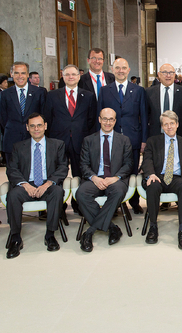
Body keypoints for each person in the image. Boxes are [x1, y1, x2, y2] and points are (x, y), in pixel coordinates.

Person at [5, 113, 68, 258]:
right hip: (27, 184)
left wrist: (48, 184)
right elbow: (12, 170)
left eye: (39, 125)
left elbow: (63, 167)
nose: (36, 129)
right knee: (13, 195)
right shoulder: (18, 146)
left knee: (57, 192)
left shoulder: (57, 145)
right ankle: (15, 237)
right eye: (32, 126)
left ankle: (50, 235)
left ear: (45, 126)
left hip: (48, 183)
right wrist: (25, 185)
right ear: (27, 128)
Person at [77, 108, 133, 252]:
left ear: (115, 121)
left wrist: (115, 178)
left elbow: (128, 164)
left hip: (115, 180)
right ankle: (112, 228)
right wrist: (94, 178)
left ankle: (89, 232)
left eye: (111, 119)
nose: (108, 122)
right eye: (105, 119)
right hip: (95, 178)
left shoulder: (124, 140)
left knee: (118, 191)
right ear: (99, 119)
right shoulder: (89, 140)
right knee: (81, 194)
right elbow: (83, 164)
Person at [141, 110, 182, 249]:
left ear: (177, 124)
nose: (169, 127)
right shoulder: (153, 141)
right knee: (153, 185)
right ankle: (153, 227)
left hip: (177, 178)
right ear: (162, 126)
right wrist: (151, 174)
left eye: (172, 123)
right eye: (165, 124)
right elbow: (147, 160)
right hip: (158, 176)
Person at [44, 64, 97, 214]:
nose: (71, 77)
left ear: (79, 77)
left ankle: (78, 204)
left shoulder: (88, 96)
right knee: (57, 174)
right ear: (63, 76)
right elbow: (48, 118)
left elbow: (91, 120)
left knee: (79, 174)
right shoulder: (53, 95)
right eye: (67, 75)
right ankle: (57, 206)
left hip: (81, 141)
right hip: (58, 141)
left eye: (74, 74)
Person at [98, 58, 147, 214]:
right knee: (112, 170)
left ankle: (134, 201)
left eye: (123, 68)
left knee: (132, 171)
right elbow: (99, 115)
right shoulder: (105, 90)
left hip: (132, 138)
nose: (120, 70)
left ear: (128, 70)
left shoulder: (138, 90)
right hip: (110, 138)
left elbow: (144, 117)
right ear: (112, 69)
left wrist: (144, 140)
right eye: (117, 68)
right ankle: (115, 201)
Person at [0, 61, 47, 162]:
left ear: (28, 75)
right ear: (11, 74)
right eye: (16, 73)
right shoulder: (5, 94)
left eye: (23, 73)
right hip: (12, 139)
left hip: (34, 139)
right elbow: (2, 118)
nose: (20, 76)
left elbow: (44, 115)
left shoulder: (39, 92)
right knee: (14, 173)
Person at [146, 63, 182, 138]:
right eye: (165, 72)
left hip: (179, 136)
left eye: (171, 73)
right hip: (155, 136)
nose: (168, 75)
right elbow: (146, 115)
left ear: (175, 75)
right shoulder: (149, 92)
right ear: (159, 74)